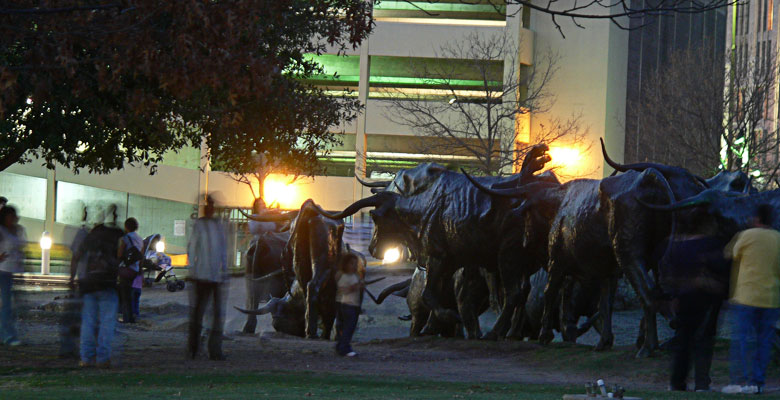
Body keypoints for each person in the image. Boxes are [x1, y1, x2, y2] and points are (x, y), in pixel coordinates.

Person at [657, 209, 729, 392]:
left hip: (682, 300)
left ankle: (677, 383)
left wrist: (672, 296)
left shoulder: (673, 246)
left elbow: (665, 275)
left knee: (683, 342)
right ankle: (702, 383)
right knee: (704, 341)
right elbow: (723, 270)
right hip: (707, 300)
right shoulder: (713, 244)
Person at [721, 204, 780, 395]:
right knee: (764, 342)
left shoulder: (747, 235)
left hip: (746, 296)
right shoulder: (778, 238)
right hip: (770, 298)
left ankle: (740, 381)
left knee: (742, 341)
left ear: (756, 218)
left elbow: (730, 253)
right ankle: (757, 383)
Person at [78, 206, 124, 368]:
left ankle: (86, 357)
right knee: (107, 322)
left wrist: (74, 278)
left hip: (89, 283)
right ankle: (103, 357)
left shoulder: (92, 235)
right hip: (107, 282)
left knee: (88, 322)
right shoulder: (117, 234)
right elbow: (121, 254)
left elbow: (79, 255)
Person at [187, 195, 228, 360]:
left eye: (211, 205)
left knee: (216, 315)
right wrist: (193, 270)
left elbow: (223, 250)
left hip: (215, 277)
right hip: (201, 276)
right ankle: (194, 348)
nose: (210, 208)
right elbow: (192, 248)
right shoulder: (199, 225)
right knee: (199, 313)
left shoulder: (218, 225)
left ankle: (214, 350)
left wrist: (224, 270)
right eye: (207, 205)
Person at [0, 206, 25, 346]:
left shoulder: (18, 230)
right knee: (6, 305)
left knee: (11, 304)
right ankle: (7, 335)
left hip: (13, 270)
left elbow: (20, 248)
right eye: (9, 217)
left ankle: (6, 332)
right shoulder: (1, 231)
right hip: (3, 270)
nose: (12, 219)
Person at [335, 253, 362, 357]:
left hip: (352, 304)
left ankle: (340, 346)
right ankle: (345, 349)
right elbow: (342, 290)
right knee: (348, 328)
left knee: (348, 327)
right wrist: (355, 287)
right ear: (345, 264)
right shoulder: (344, 276)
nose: (354, 266)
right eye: (352, 264)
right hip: (347, 305)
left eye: (356, 264)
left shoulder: (353, 275)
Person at [117, 218, 143, 324]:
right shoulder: (140, 239)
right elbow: (141, 256)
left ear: (126, 226)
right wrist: (140, 269)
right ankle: (131, 316)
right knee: (132, 294)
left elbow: (119, 254)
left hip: (126, 269)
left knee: (125, 294)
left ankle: (127, 318)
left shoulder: (126, 238)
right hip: (135, 270)